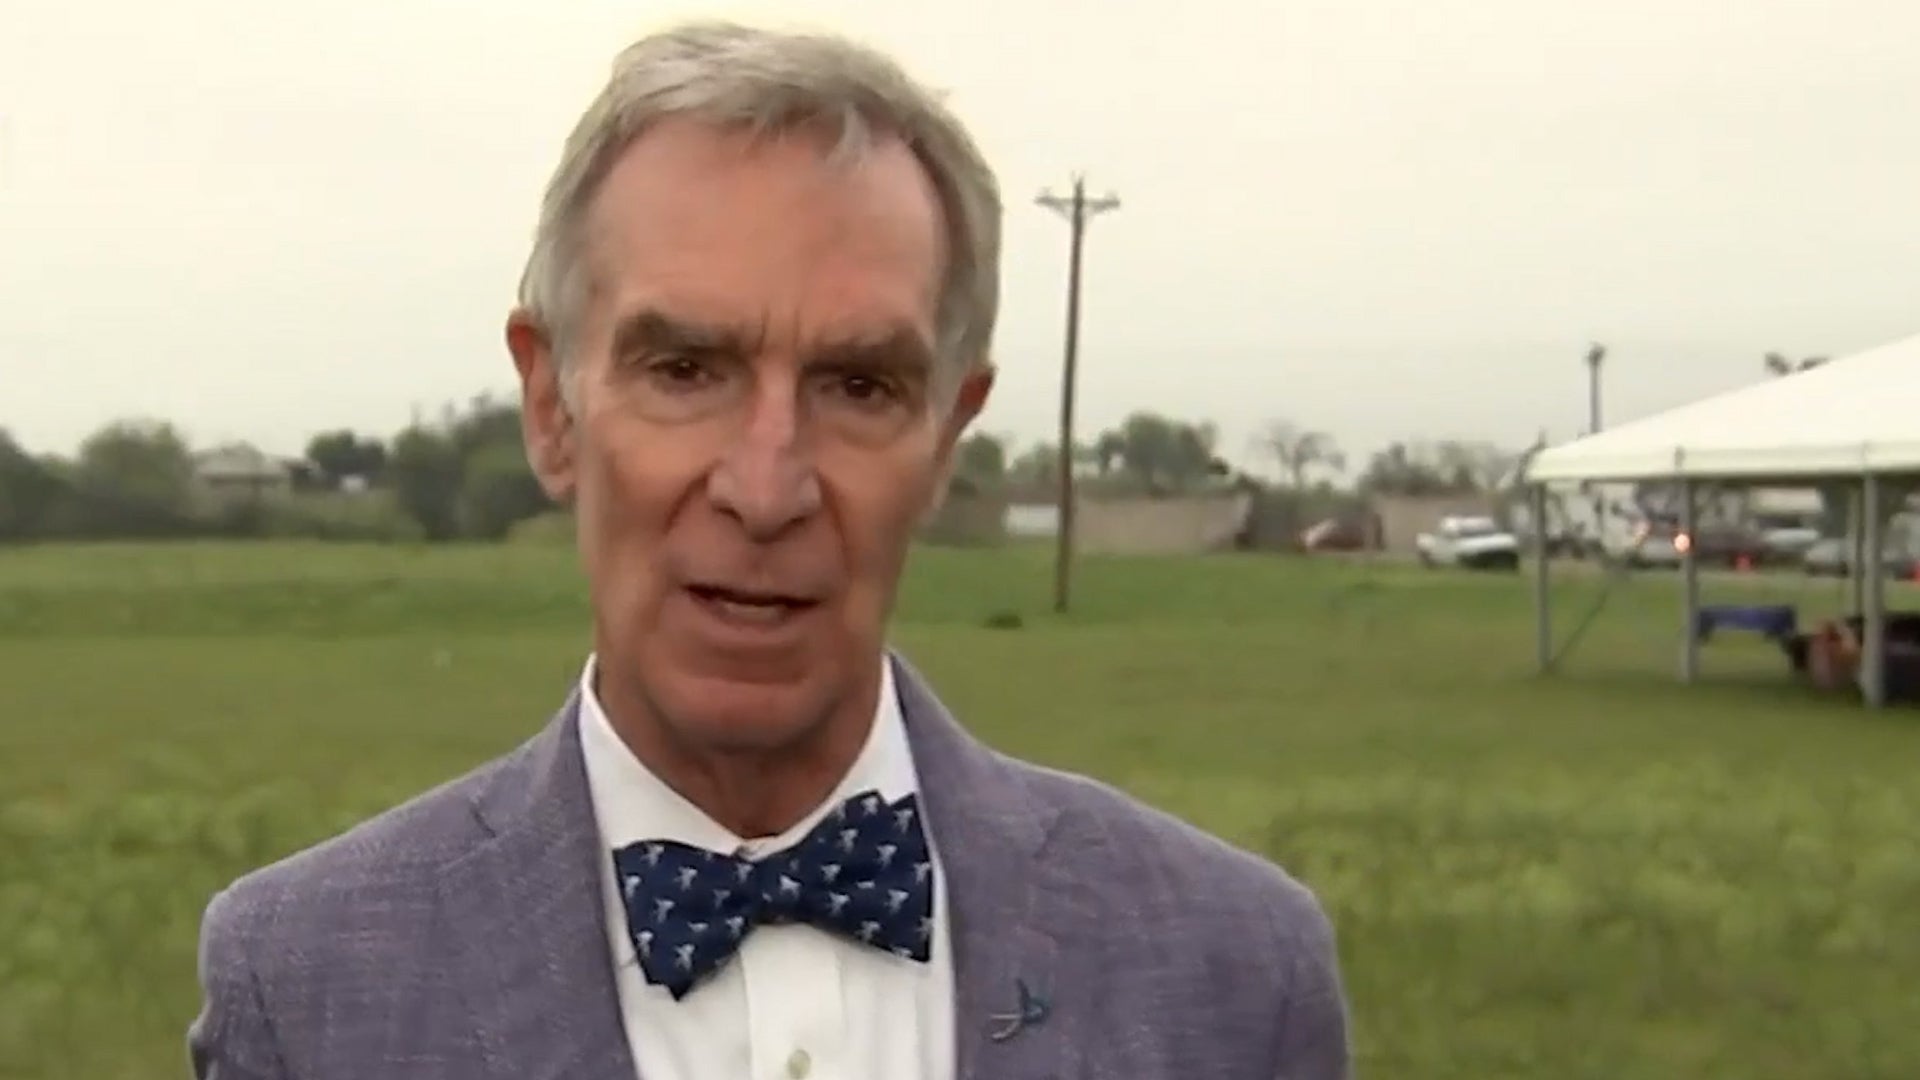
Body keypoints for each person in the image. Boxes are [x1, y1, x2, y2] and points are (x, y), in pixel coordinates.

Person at [188, 19, 1350, 1080]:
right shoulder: (307, 995)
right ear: (551, 408)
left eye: (859, 385)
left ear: (946, 438)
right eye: (685, 370)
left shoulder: (1237, 980)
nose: (765, 489)